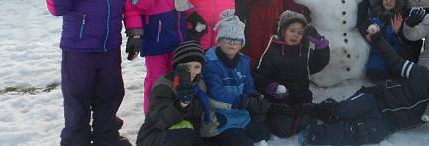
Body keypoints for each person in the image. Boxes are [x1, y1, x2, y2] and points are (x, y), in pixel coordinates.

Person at [24, 0, 141, 146]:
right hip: (78, 49)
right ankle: (75, 140)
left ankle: (106, 137)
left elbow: (129, 4)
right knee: (78, 98)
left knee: (110, 94)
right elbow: (60, 9)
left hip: (109, 47)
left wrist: (135, 32)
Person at [299, 25, 429, 145]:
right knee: (343, 111)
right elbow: (395, 62)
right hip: (377, 99)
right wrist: (378, 39)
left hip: (388, 123)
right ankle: (317, 110)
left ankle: (315, 135)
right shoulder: (421, 75)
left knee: (358, 133)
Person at [253, 11, 330, 137]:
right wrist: (272, 87)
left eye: (300, 32)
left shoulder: (305, 51)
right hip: (279, 101)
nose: (296, 35)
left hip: (301, 99)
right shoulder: (272, 51)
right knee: (284, 129)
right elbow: (259, 77)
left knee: (304, 123)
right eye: (292, 30)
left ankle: (304, 114)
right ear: (283, 31)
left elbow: (318, 63)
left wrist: (322, 47)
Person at [203, 10, 271, 146]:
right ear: (219, 41)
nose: (232, 43)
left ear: (241, 44)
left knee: (264, 133)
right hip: (219, 113)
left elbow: (248, 84)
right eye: (227, 38)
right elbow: (215, 91)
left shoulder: (243, 62)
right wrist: (241, 101)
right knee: (244, 143)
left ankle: (239, 130)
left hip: (240, 113)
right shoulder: (211, 64)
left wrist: (254, 98)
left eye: (237, 40)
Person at [136, 41, 210, 146]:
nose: (192, 71)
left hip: (188, 135)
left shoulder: (200, 85)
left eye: (197, 67)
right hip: (156, 135)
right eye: (187, 67)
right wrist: (181, 104)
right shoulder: (165, 85)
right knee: (183, 131)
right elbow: (160, 120)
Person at [365, 0, 408, 81]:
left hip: (392, 55)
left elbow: (400, 46)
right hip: (376, 53)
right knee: (373, 72)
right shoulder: (375, 16)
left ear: (396, 2)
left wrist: (396, 33)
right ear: (381, 0)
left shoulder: (398, 18)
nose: (388, 2)